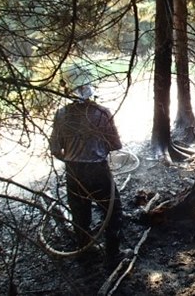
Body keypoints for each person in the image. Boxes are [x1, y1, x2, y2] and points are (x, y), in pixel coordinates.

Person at [50, 69, 126, 269]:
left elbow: (55, 149)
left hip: (73, 171)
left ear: (67, 89)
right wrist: (98, 148)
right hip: (98, 170)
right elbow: (116, 144)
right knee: (113, 211)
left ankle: (85, 252)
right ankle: (113, 255)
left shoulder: (61, 114)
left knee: (80, 214)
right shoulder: (102, 113)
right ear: (91, 88)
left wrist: (73, 157)